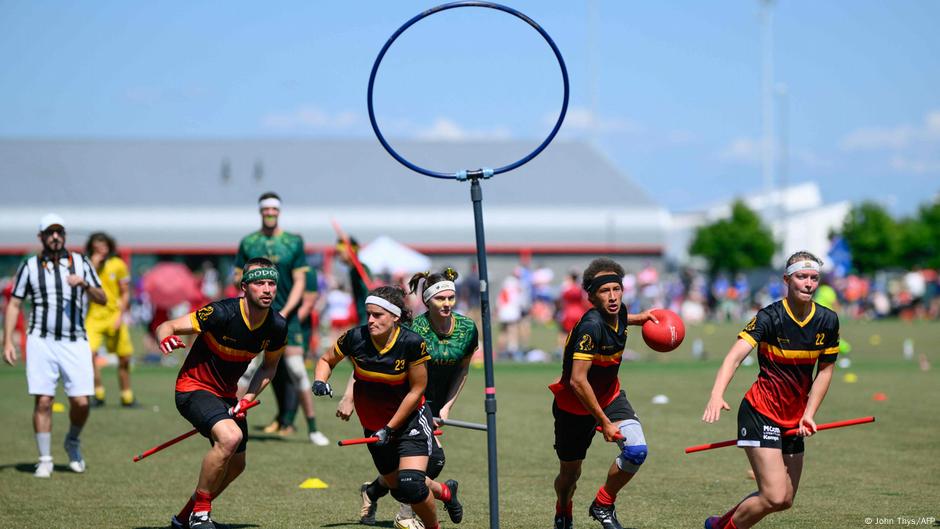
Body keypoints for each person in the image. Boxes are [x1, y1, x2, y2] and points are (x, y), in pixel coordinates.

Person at [701, 251, 840, 529]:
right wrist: (716, 394)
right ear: (787, 280)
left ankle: (719, 525)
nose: (808, 284)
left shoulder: (828, 320)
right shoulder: (769, 317)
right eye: (802, 277)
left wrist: (809, 413)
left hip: (795, 417)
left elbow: (825, 371)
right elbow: (734, 357)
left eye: (814, 278)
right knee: (773, 495)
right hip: (760, 412)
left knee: (784, 499)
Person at [314, 286, 463, 529]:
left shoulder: (411, 343)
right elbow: (326, 360)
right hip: (373, 425)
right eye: (368, 314)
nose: (371, 320)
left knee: (412, 484)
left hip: (409, 422)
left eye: (378, 315)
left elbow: (417, 390)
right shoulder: (355, 337)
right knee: (399, 489)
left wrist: (390, 428)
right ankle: (446, 492)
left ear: (395, 316)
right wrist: (320, 381)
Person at [158, 258, 287, 529]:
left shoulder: (277, 326)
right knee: (230, 438)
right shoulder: (220, 312)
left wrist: (248, 398)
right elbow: (167, 325)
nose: (267, 289)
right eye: (259, 283)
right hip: (193, 388)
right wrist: (165, 338)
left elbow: (269, 366)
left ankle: (184, 518)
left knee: (237, 465)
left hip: (228, 396)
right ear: (244, 287)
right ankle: (201, 514)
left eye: (271, 283)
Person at [347, 268, 478, 528]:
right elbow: (373, 363)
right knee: (432, 461)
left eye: (451, 298)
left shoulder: (467, 328)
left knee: (413, 469)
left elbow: (463, 369)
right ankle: (409, 512)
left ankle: (373, 491)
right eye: (440, 298)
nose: (447, 303)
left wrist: (447, 407)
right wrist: (349, 396)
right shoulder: (413, 329)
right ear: (427, 301)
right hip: (408, 401)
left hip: (437, 400)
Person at [548, 258, 658, 529]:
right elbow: (577, 381)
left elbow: (621, 318)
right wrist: (604, 422)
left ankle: (603, 503)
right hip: (574, 406)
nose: (612, 297)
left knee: (636, 450)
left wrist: (640, 318)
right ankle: (563, 507)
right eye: (604, 291)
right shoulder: (590, 327)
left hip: (610, 396)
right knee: (569, 475)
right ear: (591, 297)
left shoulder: (620, 312)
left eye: (616, 289)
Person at [3, 214, 107, 478]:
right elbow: (14, 303)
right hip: (41, 340)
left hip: (75, 340)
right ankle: (45, 459)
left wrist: (84, 283)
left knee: (81, 402)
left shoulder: (81, 262)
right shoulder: (29, 266)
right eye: (50, 232)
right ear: (41, 237)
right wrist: (7, 341)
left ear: (65, 235)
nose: (55, 237)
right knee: (43, 400)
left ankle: (72, 440)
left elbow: (102, 298)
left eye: (59, 231)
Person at [233, 192, 326, 443]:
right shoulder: (248, 242)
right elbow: (237, 277)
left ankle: (313, 429)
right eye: (266, 209)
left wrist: (284, 313)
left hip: (286, 317)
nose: (270, 213)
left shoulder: (292, 242)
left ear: (279, 211)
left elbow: (300, 282)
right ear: (260, 211)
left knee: (297, 371)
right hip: (254, 316)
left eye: (274, 209)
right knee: (246, 370)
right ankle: (231, 422)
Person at [85, 232, 137, 407]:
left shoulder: (118, 264)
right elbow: (83, 285)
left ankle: (127, 396)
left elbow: (125, 292)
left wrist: (120, 316)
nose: (101, 250)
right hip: (94, 316)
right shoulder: (87, 265)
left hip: (114, 315)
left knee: (124, 358)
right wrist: (93, 264)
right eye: (97, 247)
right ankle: (98, 394)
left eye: (104, 246)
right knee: (88, 355)